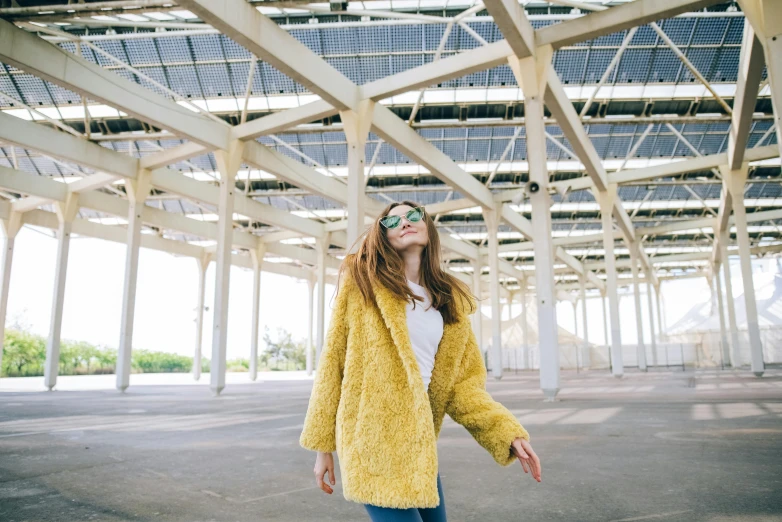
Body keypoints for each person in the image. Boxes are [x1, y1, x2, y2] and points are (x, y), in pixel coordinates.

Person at [299, 201, 542, 521]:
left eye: (413, 216)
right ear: (383, 236)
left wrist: (505, 432)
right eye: (392, 221)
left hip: (418, 443)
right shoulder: (362, 285)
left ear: (428, 228)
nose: (405, 222)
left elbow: (463, 385)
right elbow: (334, 363)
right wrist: (323, 448)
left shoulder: (450, 301)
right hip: (371, 443)